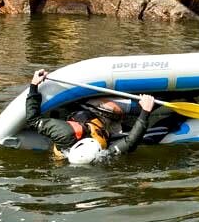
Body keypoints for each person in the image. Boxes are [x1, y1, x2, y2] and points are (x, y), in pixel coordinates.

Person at [25, 69, 156, 163]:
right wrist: (145, 111)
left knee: (111, 107)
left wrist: (34, 86)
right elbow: (131, 142)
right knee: (142, 135)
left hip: (89, 112)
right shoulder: (101, 154)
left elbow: (33, 120)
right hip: (106, 130)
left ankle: (146, 103)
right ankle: (152, 107)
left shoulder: (63, 133)